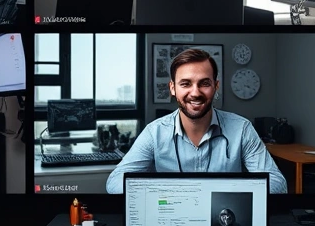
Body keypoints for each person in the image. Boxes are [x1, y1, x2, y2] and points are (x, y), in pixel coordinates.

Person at [106, 48, 287, 193]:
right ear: (172, 88)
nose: (195, 93)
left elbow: (278, 183)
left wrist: (228, 193)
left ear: (216, 86)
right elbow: (115, 182)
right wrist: (162, 193)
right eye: (185, 84)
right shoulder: (154, 132)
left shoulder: (242, 129)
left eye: (204, 83)